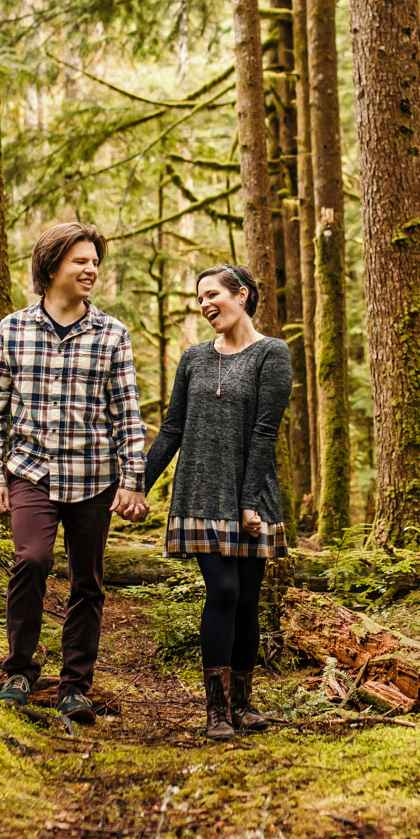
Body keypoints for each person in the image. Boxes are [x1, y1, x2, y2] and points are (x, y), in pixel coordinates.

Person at [0, 222, 150, 723]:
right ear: (52, 267)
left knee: (87, 582)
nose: (91, 269)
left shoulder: (111, 333)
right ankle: (19, 671)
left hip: (94, 476)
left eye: (95, 261)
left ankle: (76, 685)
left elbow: (126, 414)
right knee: (31, 560)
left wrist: (133, 479)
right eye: (81, 261)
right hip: (31, 471)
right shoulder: (13, 329)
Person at [142, 264, 293, 741]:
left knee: (248, 602)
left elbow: (266, 432)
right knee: (223, 591)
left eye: (213, 295)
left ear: (241, 295)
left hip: (251, 494)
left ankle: (243, 704)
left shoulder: (273, 354)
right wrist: (135, 485)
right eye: (200, 298)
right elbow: (172, 429)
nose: (206, 305)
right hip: (200, 494)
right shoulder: (193, 358)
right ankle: (216, 711)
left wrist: (250, 501)